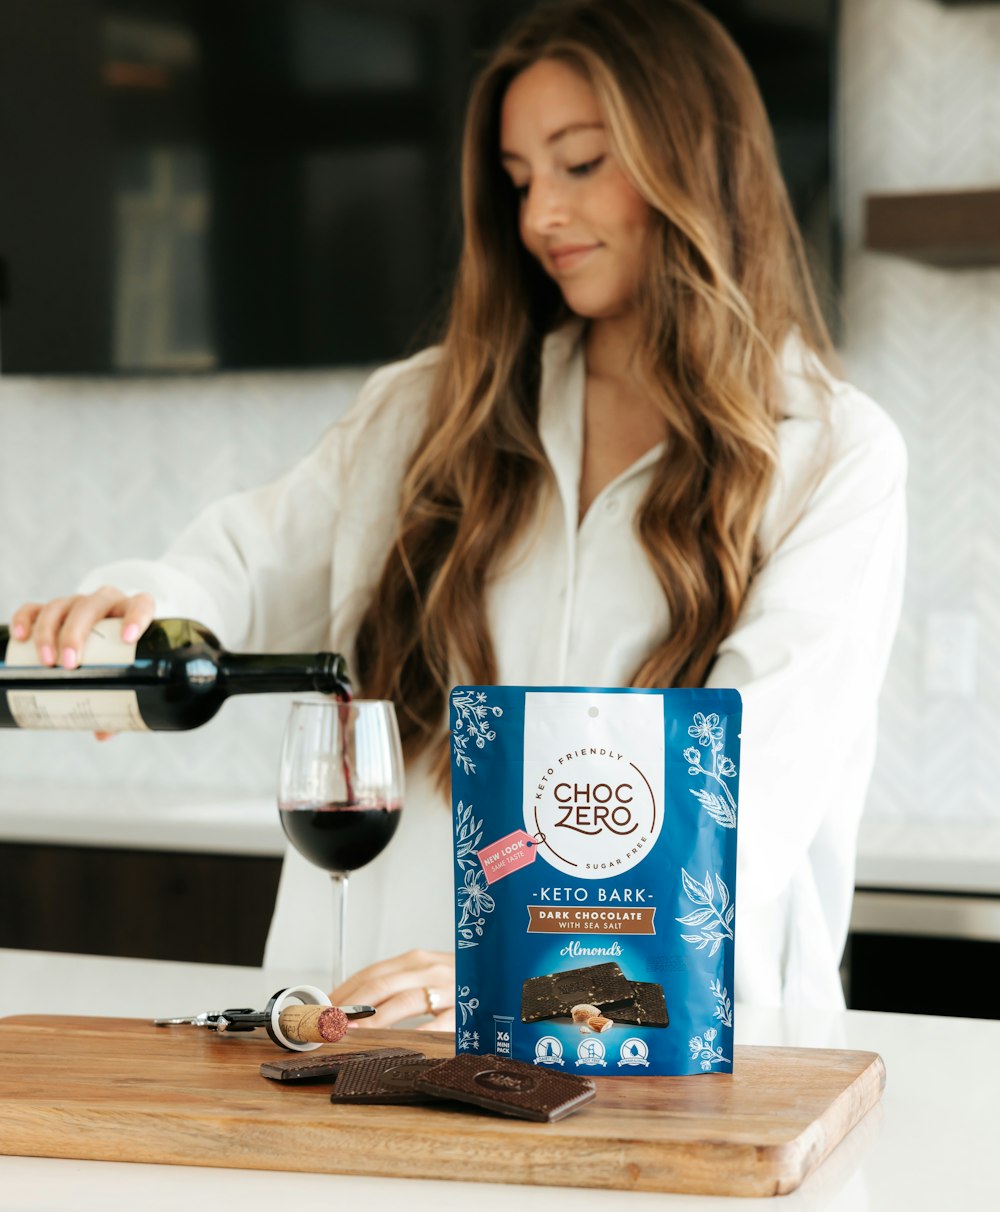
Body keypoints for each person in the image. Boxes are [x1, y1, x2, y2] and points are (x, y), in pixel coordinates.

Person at [10, 0, 906, 1026]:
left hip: (659, 1053)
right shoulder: (428, 412)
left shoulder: (830, 453)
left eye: (578, 164)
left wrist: (499, 970)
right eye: (520, 179)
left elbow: (748, 788)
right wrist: (136, 608)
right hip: (378, 1033)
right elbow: (241, 569)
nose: (538, 219)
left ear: (694, 162)